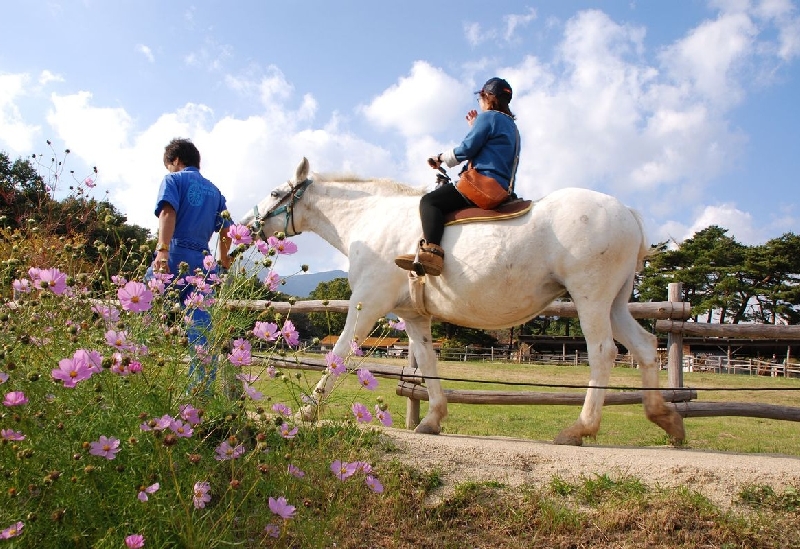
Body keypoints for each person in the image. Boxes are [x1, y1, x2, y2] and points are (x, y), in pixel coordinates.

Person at [394, 77, 520, 276]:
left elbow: (466, 149)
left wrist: (440, 158)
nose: (480, 103)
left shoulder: (489, 117)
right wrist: (475, 126)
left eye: (480, 98)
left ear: (487, 97)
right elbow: (491, 150)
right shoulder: (511, 127)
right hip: (502, 188)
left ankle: (432, 252)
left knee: (429, 202)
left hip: (482, 185)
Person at [149, 138, 232, 390]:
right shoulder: (215, 192)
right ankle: (198, 396)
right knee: (201, 329)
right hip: (204, 264)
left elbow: (167, 213)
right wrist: (223, 264)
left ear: (175, 160)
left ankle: (134, 358)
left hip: (175, 252)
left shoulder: (173, 181)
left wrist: (162, 251)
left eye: (169, 165)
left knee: (140, 300)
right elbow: (227, 232)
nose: (169, 170)